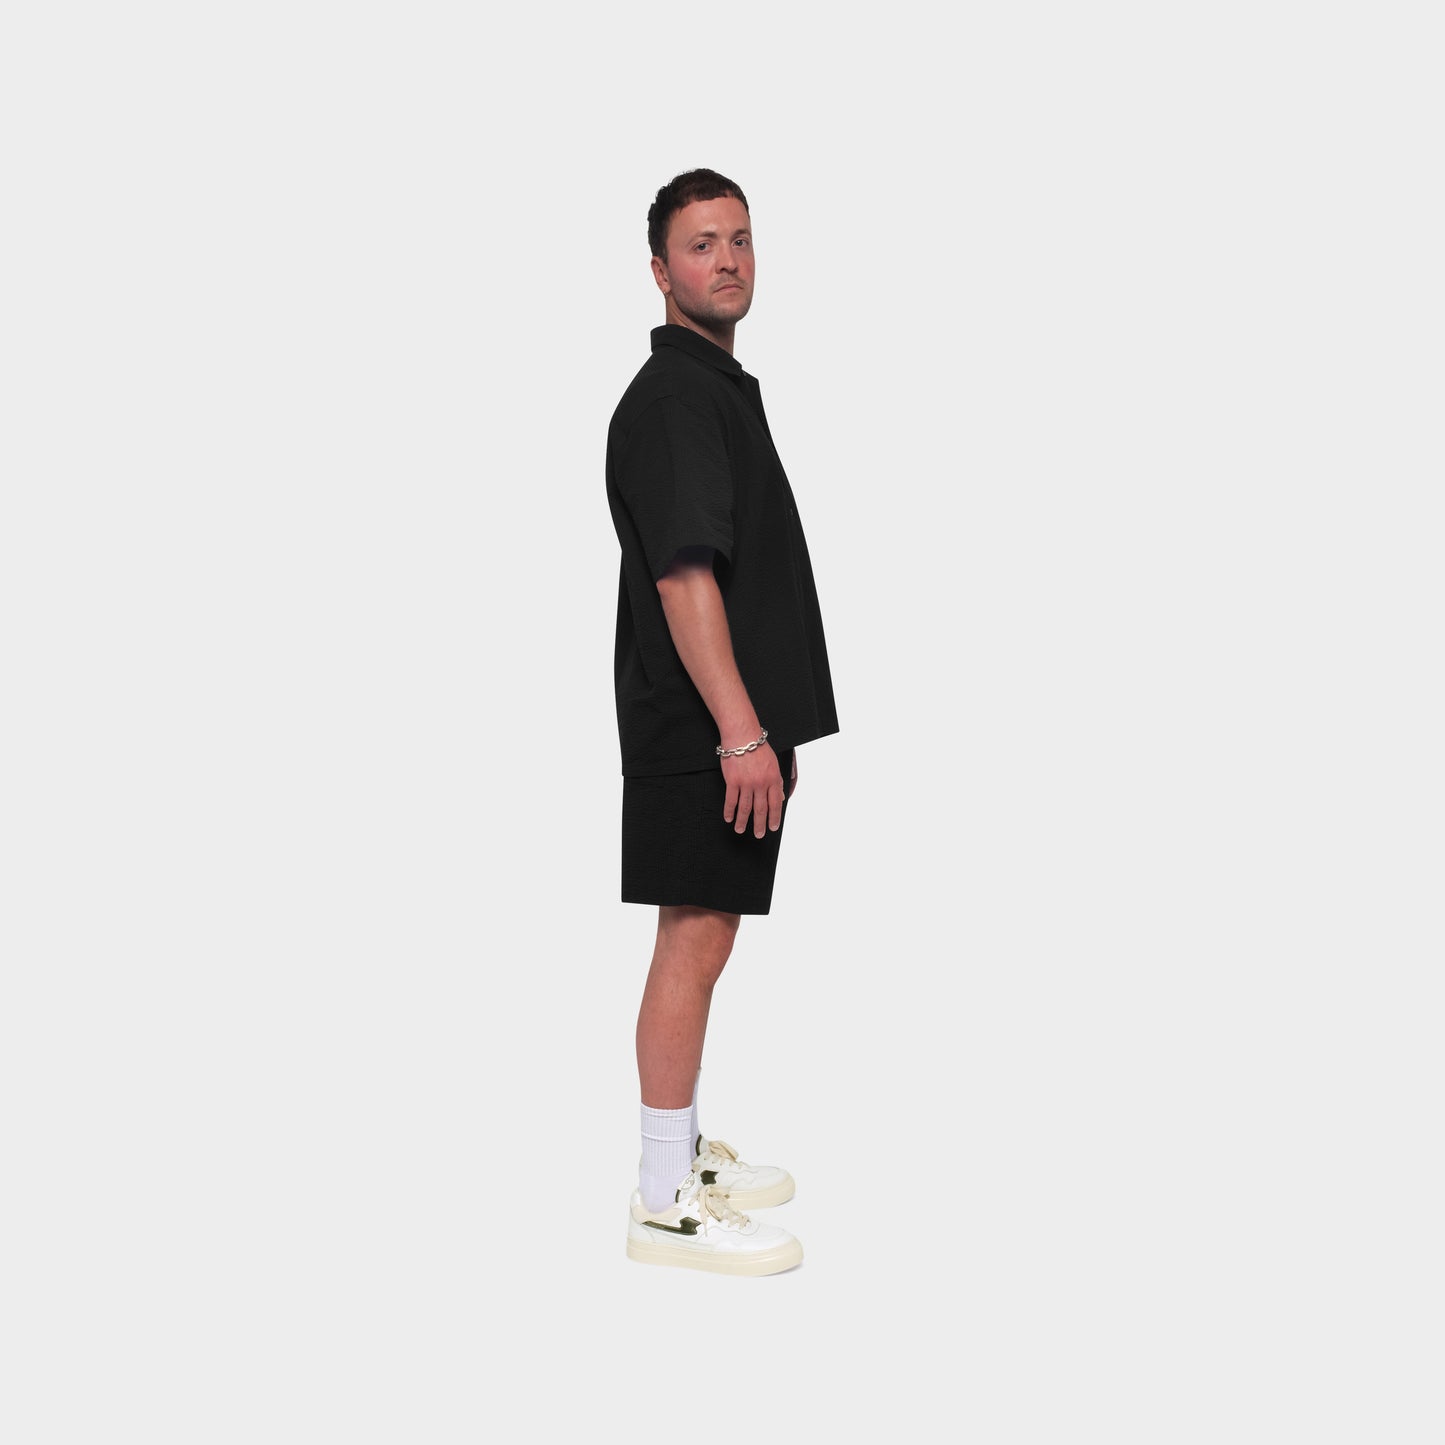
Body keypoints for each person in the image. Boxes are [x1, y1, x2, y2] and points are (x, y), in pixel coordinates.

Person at [605, 169, 839, 1275]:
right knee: (693, 939)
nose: (728, 259)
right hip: (702, 727)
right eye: (701, 244)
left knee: (703, 936)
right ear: (660, 270)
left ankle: (680, 1154)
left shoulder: (710, 385)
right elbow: (683, 576)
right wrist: (741, 732)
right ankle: (663, 1198)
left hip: (722, 723)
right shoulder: (673, 400)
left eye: (739, 239)